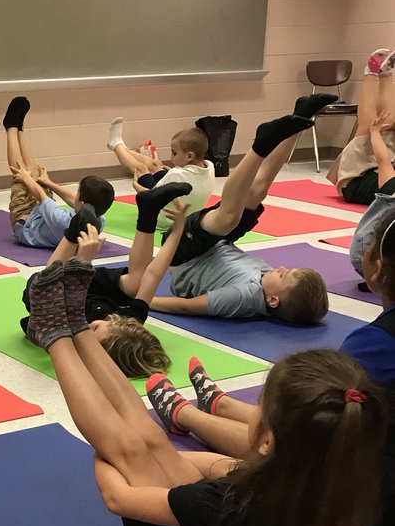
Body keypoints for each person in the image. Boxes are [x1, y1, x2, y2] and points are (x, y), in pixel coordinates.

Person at [25, 259, 386, 526]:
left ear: (266, 441)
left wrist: (105, 454)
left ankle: (56, 335)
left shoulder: (228, 506)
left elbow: (118, 499)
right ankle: (77, 328)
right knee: (155, 445)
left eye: (258, 408)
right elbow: (218, 467)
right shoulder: (334, 487)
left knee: (132, 451)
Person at [149, 206, 395, 526]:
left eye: (366, 249)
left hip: (374, 504)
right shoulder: (377, 341)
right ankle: (222, 404)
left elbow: (305, 420)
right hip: (381, 464)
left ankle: (186, 415)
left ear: (377, 268)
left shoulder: (374, 345)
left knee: (293, 436)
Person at [149, 111, 329, 324]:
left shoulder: (242, 298)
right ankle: (297, 124)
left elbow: (187, 307)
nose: (280, 268)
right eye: (287, 270)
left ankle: (259, 147)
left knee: (228, 218)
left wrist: (143, 301)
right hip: (218, 242)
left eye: (283, 275)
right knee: (255, 193)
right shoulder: (269, 283)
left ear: (272, 300)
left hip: (184, 255)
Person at [20, 184, 193, 377]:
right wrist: (178, 230)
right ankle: (148, 210)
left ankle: (74, 229)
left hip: (49, 299)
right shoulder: (128, 323)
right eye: (107, 323)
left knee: (47, 288)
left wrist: (83, 258)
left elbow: (52, 287)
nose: (93, 324)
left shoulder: (72, 340)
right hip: (93, 289)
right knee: (137, 283)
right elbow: (153, 275)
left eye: (94, 333)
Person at [3, 96, 113, 249]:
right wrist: (47, 182)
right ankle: (20, 130)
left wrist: (25, 177)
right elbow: (74, 200)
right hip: (43, 217)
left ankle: (11, 127)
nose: (75, 194)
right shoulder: (98, 220)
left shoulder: (63, 220)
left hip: (25, 224)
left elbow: (41, 196)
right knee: (38, 177)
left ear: (82, 202)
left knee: (22, 175)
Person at [107, 118, 217, 231]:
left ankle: (116, 145)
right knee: (156, 164)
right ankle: (124, 149)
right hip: (187, 213)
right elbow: (187, 178)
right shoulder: (210, 166)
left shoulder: (176, 174)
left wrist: (136, 186)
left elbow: (151, 197)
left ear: (189, 156)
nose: (171, 157)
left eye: (174, 153)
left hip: (165, 220)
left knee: (141, 169)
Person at [331, 48, 395, 204]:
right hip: (385, 166)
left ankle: (370, 75)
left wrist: (374, 132)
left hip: (355, 180)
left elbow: (383, 160)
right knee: (389, 124)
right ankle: (386, 75)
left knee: (368, 128)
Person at [347, 107, 395, 276]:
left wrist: (375, 132)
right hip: (367, 260)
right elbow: (383, 159)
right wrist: (374, 132)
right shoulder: (391, 190)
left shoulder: (391, 185)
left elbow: (383, 159)